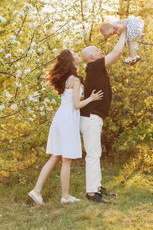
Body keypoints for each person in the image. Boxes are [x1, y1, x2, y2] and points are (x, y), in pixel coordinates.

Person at [28, 49, 103, 205]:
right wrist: (91, 98)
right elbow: (76, 105)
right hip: (68, 120)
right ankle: (65, 196)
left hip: (61, 118)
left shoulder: (67, 78)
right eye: (75, 54)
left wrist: (86, 96)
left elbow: (72, 99)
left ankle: (36, 191)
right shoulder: (74, 79)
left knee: (56, 157)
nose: (77, 56)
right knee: (66, 160)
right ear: (71, 60)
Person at [80, 29, 127, 203]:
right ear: (91, 56)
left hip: (94, 117)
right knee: (93, 154)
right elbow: (116, 53)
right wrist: (123, 33)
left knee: (95, 153)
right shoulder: (93, 66)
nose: (101, 52)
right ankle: (92, 193)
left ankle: (97, 187)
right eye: (97, 51)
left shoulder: (94, 68)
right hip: (91, 117)